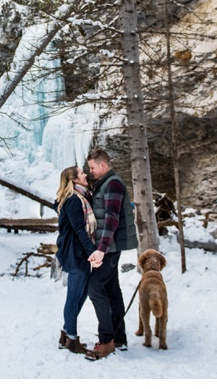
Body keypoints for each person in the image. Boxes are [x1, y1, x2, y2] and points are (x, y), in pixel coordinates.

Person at [84, 149, 138, 361]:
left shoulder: (113, 184)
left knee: (95, 288)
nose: (91, 171)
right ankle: (119, 338)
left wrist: (101, 249)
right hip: (109, 246)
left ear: (103, 165)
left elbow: (111, 219)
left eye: (93, 167)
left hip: (110, 247)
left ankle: (106, 341)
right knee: (111, 289)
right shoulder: (104, 184)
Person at [53, 165, 97, 354]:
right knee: (74, 296)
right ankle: (71, 338)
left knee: (82, 293)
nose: (85, 174)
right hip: (76, 254)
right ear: (74, 180)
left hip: (78, 252)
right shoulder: (73, 201)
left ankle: (65, 333)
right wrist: (92, 252)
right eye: (81, 173)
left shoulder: (81, 198)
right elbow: (79, 230)